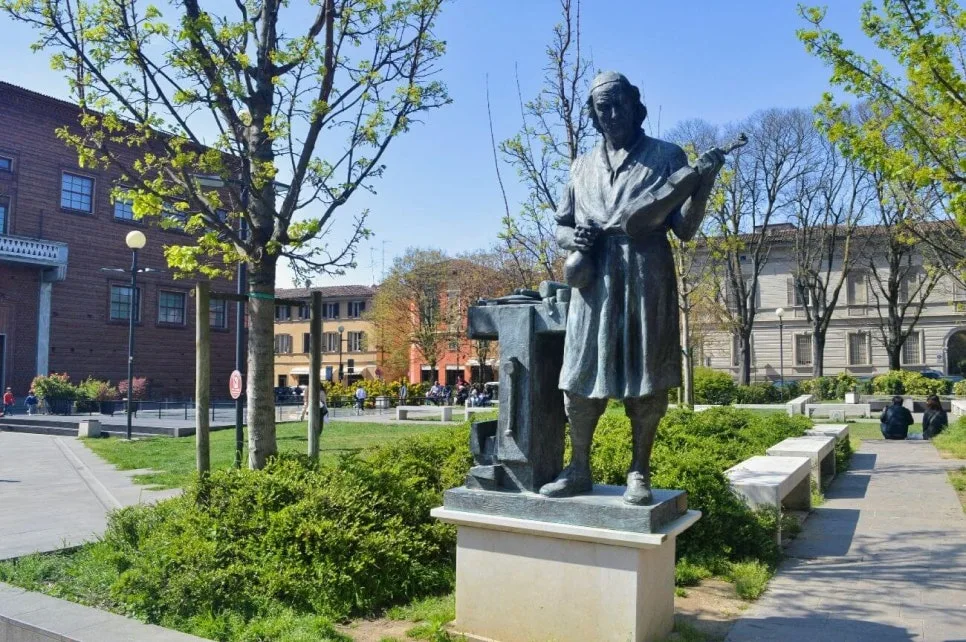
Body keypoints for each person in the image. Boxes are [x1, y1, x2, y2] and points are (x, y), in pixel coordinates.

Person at [538, 71, 727, 505]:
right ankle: (578, 468)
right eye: (603, 108)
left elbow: (685, 230)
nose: (613, 114)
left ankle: (639, 470)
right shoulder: (580, 166)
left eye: (619, 104)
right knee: (581, 376)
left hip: (646, 274)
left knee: (645, 379)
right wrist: (575, 239)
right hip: (593, 280)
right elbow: (561, 226)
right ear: (593, 114)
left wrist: (704, 184)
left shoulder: (666, 155)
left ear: (636, 105)